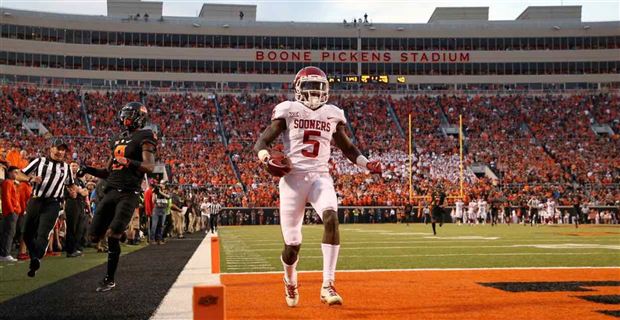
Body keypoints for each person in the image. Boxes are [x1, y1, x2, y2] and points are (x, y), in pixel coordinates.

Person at [253, 66, 382, 307]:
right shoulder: (288, 110)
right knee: (292, 245)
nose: (314, 92)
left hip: (320, 176)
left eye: (318, 87)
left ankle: (327, 284)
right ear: (298, 88)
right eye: (309, 87)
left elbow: (347, 148)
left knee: (331, 217)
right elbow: (263, 141)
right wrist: (265, 157)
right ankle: (290, 281)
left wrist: (366, 164)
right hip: (292, 179)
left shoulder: (332, 113)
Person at [78, 101, 157, 292]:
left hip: (129, 193)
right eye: (124, 114)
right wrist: (87, 169)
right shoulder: (116, 139)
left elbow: (149, 166)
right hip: (111, 190)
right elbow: (107, 171)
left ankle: (109, 278)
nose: (125, 118)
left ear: (139, 116)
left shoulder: (146, 136)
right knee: (93, 237)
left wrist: (128, 161)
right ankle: (121, 233)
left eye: (129, 114)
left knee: (112, 236)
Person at [14, 138, 76, 277]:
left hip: (53, 203)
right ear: (51, 148)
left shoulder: (66, 168)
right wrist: (30, 179)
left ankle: (36, 258)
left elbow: (71, 184)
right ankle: (35, 256)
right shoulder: (39, 161)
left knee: (44, 232)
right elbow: (18, 173)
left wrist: (73, 191)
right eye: (58, 148)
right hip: (36, 200)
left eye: (63, 149)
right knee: (27, 232)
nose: (60, 152)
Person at [0, 166, 22, 262]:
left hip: (13, 211)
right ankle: (5, 254)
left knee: (9, 233)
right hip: (10, 212)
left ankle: (5, 253)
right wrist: (11, 210)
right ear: (9, 173)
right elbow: (7, 198)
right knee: (9, 233)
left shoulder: (12, 183)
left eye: (17, 172)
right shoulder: (7, 183)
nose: (16, 174)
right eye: (15, 172)